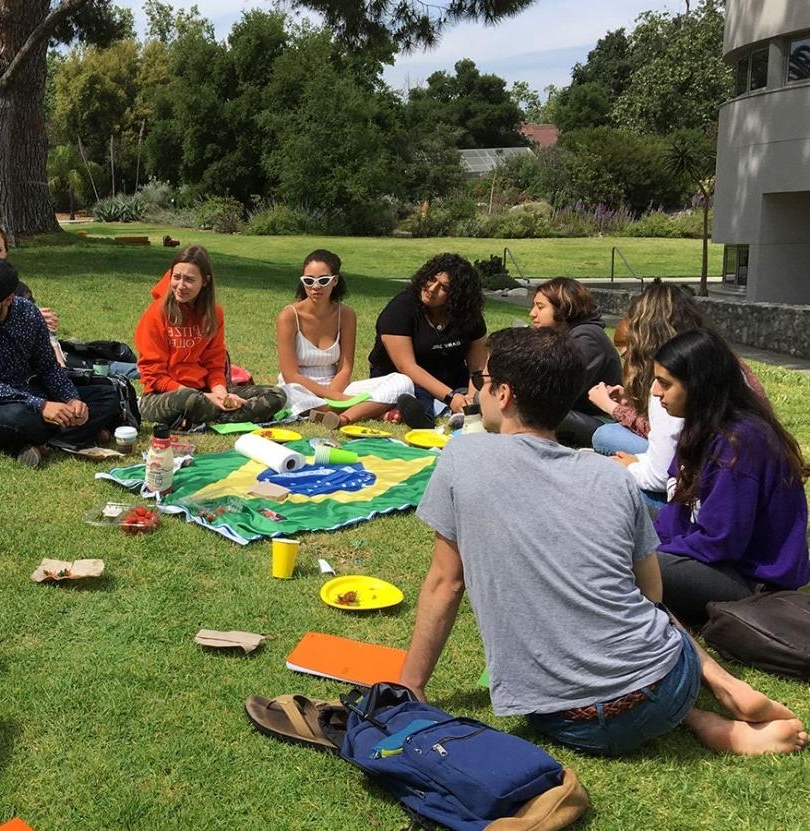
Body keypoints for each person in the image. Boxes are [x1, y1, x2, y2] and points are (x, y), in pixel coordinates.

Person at [399, 326, 806, 758]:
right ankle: (712, 707)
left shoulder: (461, 457)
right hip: (669, 684)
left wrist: (411, 684)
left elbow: (446, 583)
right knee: (633, 606)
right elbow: (650, 596)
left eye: (482, 381)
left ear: (504, 394)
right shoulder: (612, 477)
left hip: (567, 719)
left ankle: (712, 717)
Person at [651, 329, 810, 628]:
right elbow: (677, 507)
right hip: (712, 554)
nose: (656, 392)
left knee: (636, 564)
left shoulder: (740, 443)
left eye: (665, 384)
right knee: (626, 511)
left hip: (753, 581)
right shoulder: (699, 427)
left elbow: (722, 542)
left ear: (698, 386)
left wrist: (652, 551)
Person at [589, 283, 765, 506]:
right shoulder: (720, 360)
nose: (655, 390)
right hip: (722, 477)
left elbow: (662, 475)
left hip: (699, 490)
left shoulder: (677, 379)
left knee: (607, 444)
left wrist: (629, 466)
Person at [0, 256, 121, 467]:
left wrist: (71, 399)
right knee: (20, 418)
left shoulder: (28, 313)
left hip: (30, 393)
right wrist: (42, 406)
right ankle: (71, 434)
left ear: (7, 300)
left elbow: (47, 366)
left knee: (106, 394)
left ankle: (46, 441)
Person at [135, 245, 286, 427]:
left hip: (205, 391)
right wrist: (207, 398)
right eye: (176, 277)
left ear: (205, 281)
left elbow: (214, 363)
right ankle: (227, 415)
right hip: (164, 396)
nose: (181, 286)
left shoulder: (214, 314)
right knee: (190, 400)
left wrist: (222, 394)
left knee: (276, 395)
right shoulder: (156, 312)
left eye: (189, 280)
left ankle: (212, 416)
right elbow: (154, 377)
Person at [0, 224, 140, 379]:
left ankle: (148, 369)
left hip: (37, 351)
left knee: (90, 362)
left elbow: (42, 331)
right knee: (85, 367)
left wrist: (47, 328)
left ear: (6, 253)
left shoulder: (18, 288)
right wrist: (32, 318)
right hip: (8, 362)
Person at [274, 249, 413, 422]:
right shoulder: (288, 316)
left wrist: (336, 395)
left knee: (403, 382)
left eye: (323, 280)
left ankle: (341, 417)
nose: (315, 287)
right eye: (309, 281)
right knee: (286, 395)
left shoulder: (346, 315)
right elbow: (291, 375)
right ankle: (375, 411)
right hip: (300, 388)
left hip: (338, 387)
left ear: (335, 281)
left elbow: (345, 368)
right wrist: (334, 398)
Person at [366, 253, 487, 427]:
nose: (431, 289)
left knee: (488, 396)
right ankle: (420, 417)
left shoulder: (468, 316)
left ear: (457, 296)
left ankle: (462, 414)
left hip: (452, 380)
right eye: (431, 279)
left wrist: (472, 398)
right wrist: (451, 397)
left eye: (444, 287)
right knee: (416, 397)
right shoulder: (401, 308)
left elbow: (478, 368)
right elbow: (407, 367)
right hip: (406, 378)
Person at [527, 278, 622, 447]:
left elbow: (559, 392)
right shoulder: (566, 336)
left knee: (534, 411)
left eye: (540, 307)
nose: (532, 313)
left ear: (564, 308)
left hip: (601, 422)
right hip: (577, 415)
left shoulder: (587, 339)